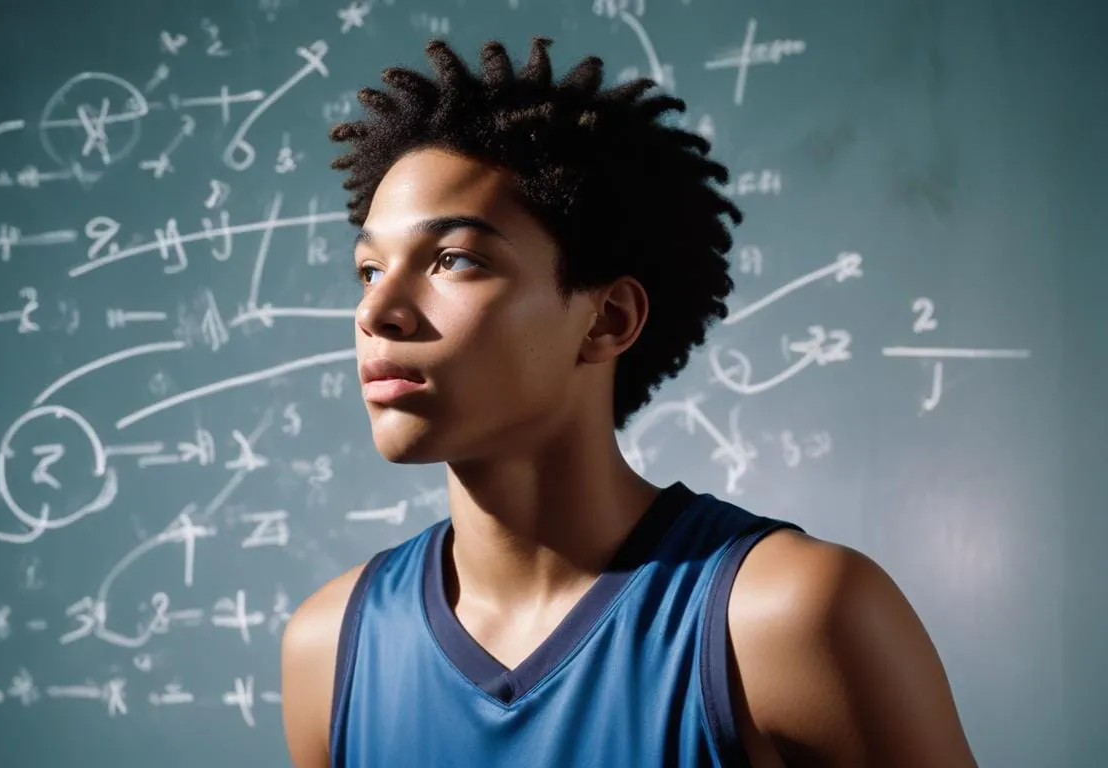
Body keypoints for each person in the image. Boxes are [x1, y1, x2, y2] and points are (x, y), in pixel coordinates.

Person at [281, 37, 978, 767]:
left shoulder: (791, 618)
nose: (377, 311)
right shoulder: (328, 649)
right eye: (369, 270)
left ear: (607, 320)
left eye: (454, 259)